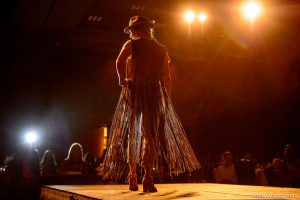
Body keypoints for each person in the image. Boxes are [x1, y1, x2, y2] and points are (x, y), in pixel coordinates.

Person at [98, 16, 200, 192]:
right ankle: (147, 177)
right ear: (149, 29)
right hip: (154, 95)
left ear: (136, 30)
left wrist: (123, 80)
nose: (131, 33)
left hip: (134, 91)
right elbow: (167, 77)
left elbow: (119, 61)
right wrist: (167, 98)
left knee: (133, 133)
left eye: (132, 30)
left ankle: (132, 175)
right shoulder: (161, 50)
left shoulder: (131, 44)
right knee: (150, 137)